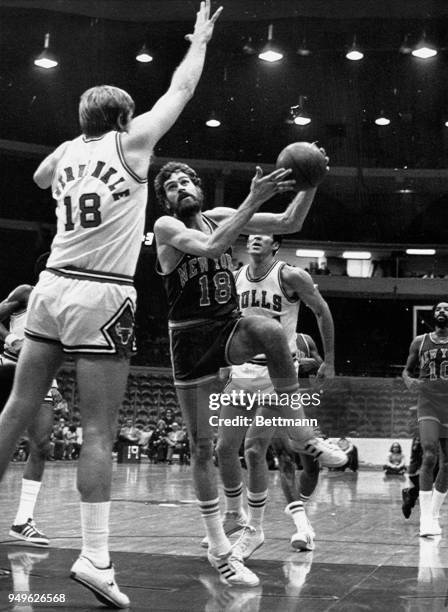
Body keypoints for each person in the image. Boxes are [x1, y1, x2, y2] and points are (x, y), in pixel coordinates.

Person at [0, 2, 222, 608]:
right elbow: (181, 86)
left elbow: (44, 178)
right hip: (101, 292)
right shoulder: (136, 141)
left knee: (17, 409)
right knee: (99, 430)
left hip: (48, 284)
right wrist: (199, 40)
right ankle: (96, 556)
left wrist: (77, 139)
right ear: (125, 117)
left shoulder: (68, 152)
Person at [154, 158, 347, 587]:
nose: (181, 188)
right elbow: (210, 248)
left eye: (187, 181)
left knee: (271, 331)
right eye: (171, 186)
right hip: (189, 338)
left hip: (226, 329)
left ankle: (301, 432)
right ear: (164, 199)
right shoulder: (166, 227)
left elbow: (288, 220)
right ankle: (220, 548)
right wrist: (252, 198)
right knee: (203, 447)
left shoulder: (221, 216)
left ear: (201, 189)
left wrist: (311, 181)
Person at [214, 236, 335, 560]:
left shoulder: (292, 286)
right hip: (244, 375)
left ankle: (299, 520)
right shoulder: (237, 279)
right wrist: (225, 363)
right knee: (237, 449)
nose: (254, 237)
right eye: (251, 233)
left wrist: (327, 361)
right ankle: (251, 520)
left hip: (282, 386)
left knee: (295, 461)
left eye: (263, 234)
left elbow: (322, 315)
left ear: (276, 244)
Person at [0, 254, 63, 547]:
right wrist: (11, 339)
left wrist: (56, 381)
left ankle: (23, 520)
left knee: (42, 444)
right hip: (9, 367)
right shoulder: (26, 292)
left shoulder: (63, 304)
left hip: (42, 375)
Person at [403, 301, 448, 537]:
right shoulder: (420, 342)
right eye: (439, 309)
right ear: (434, 315)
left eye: (446, 309)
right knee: (429, 453)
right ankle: (425, 519)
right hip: (428, 402)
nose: (442, 311)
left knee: (447, 463)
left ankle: (434, 515)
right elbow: (406, 370)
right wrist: (408, 380)